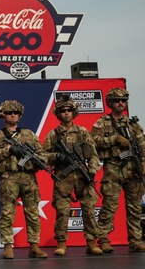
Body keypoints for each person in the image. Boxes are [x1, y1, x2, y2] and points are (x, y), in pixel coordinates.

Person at [42, 95, 102, 256]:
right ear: (58, 113)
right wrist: (58, 157)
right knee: (62, 211)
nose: (66, 113)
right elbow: (42, 156)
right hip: (63, 177)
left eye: (69, 110)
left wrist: (92, 171)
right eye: (63, 110)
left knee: (89, 209)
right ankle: (61, 243)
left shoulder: (82, 132)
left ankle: (92, 242)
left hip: (83, 176)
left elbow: (94, 155)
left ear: (73, 112)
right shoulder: (53, 134)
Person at [0, 100, 48, 259]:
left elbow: (43, 155)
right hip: (9, 177)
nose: (12, 115)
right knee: (8, 212)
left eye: (15, 112)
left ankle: (34, 245)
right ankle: (8, 246)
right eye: (9, 113)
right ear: (3, 115)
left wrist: (36, 160)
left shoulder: (29, 135)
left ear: (20, 115)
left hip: (28, 177)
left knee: (33, 212)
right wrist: (9, 149)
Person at [91, 87, 145, 253]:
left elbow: (142, 146)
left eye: (123, 101)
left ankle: (136, 241)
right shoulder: (102, 123)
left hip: (133, 169)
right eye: (117, 100)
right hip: (114, 167)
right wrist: (114, 139)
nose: (120, 103)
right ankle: (104, 239)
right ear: (110, 103)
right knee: (109, 206)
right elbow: (94, 141)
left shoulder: (133, 125)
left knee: (135, 207)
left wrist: (142, 164)